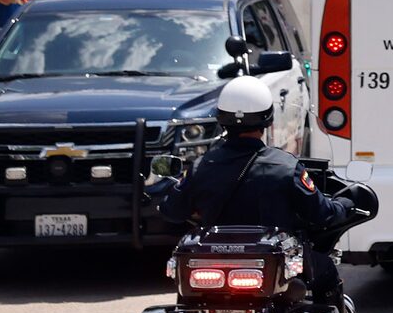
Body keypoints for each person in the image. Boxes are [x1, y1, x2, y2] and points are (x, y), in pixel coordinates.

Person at [155, 80, 370, 300]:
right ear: (267, 118)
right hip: (272, 265)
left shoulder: (202, 166)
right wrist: (344, 205)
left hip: (213, 265)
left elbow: (171, 211)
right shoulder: (286, 167)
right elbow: (321, 213)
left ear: (222, 119)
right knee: (326, 271)